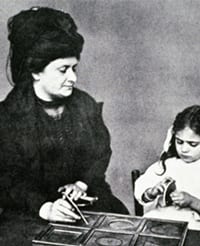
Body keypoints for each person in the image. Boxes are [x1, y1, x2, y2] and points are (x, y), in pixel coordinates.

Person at [0, 7, 128, 240]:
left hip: (86, 201)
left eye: (74, 68)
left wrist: (81, 183)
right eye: (63, 70)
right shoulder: (8, 116)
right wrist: (45, 207)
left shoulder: (84, 104)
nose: (73, 78)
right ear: (36, 71)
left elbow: (101, 152)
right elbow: (8, 179)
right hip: (29, 212)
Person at [134, 105, 200, 232]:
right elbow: (141, 187)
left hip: (197, 229)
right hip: (162, 223)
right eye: (179, 142)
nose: (184, 149)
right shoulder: (168, 164)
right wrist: (152, 191)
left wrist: (193, 202)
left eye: (192, 144)